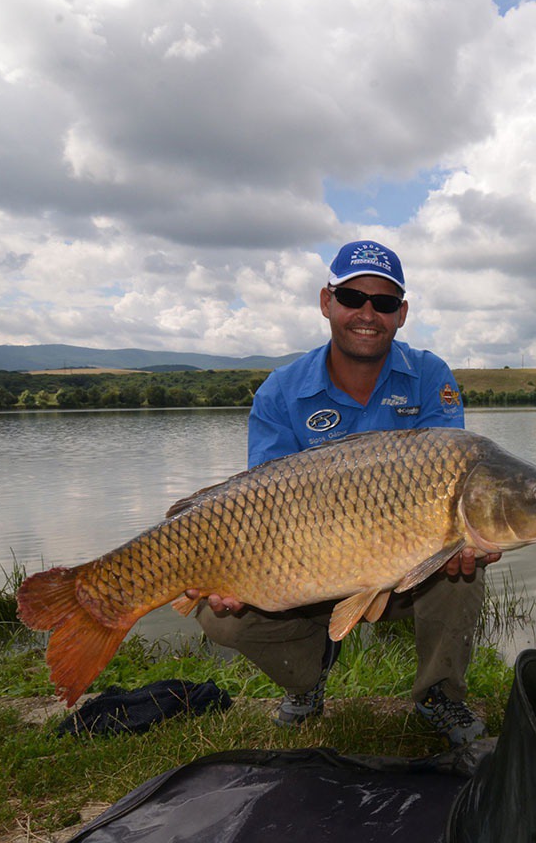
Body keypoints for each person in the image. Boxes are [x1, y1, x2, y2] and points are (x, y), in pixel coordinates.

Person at [189, 240, 496, 745]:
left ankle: (440, 694)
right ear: (327, 302)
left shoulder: (429, 377)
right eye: (353, 297)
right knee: (221, 617)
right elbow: (259, 506)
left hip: (406, 568)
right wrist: (233, 572)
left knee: (462, 558)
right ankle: (306, 681)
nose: (368, 314)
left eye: (385, 302)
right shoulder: (281, 392)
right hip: (307, 569)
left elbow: (455, 472)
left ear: (402, 314)